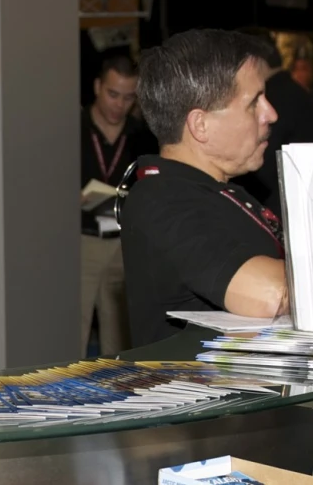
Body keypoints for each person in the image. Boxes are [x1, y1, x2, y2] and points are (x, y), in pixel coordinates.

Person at [120, 29, 284, 344]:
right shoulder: (161, 200)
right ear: (200, 125)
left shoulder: (225, 190)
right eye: (253, 103)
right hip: (212, 392)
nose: (270, 114)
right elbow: (270, 296)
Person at [79, 49, 154, 355]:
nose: (119, 105)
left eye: (128, 97)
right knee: (75, 328)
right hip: (82, 241)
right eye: (112, 94)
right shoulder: (75, 129)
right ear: (97, 87)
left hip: (123, 242)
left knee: (120, 337)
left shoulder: (141, 135)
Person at [230, 28, 313, 208]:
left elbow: (260, 169)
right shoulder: (297, 92)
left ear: (253, 61)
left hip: (280, 208)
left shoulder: (270, 99)